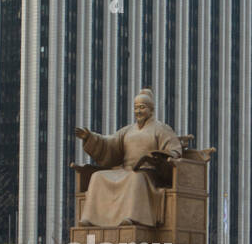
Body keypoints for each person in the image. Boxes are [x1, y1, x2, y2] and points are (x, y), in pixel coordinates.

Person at [73, 88, 184, 228]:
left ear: (151, 110)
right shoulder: (127, 130)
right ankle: (90, 219)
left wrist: (160, 157)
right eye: (136, 108)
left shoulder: (161, 129)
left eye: (142, 107)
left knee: (134, 178)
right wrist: (90, 137)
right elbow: (110, 143)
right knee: (97, 176)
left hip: (149, 174)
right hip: (125, 170)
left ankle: (132, 218)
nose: (138, 111)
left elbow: (174, 151)